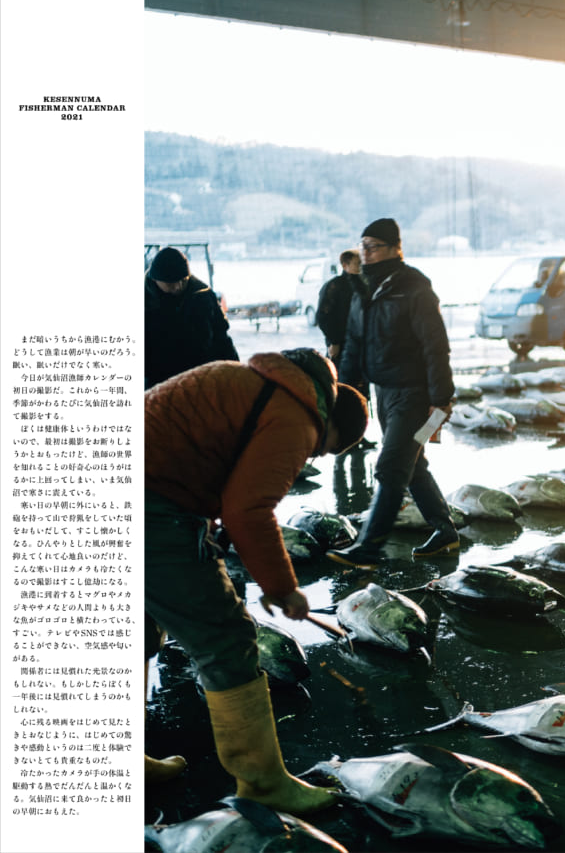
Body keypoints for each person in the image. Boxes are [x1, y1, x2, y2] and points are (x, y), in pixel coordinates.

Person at [144, 348, 368, 812]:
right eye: (319, 449)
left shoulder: (248, 380)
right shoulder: (296, 416)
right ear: (330, 427)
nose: (310, 452)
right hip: (151, 510)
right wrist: (283, 588)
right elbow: (248, 510)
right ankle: (263, 782)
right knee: (225, 640)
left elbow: (212, 472)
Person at [331, 218, 459, 567]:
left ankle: (368, 548)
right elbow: (354, 343)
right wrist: (340, 391)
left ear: (395, 248)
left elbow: (435, 345)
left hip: (414, 395)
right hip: (384, 393)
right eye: (362, 246)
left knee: (390, 467)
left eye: (373, 246)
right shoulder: (363, 289)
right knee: (412, 464)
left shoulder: (414, 287)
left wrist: (441, 398)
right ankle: (445, 531)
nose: (366, 253)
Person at [144, 245, 239, 388]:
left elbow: (222, 339)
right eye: (171, 283)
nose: (177, 287)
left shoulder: (202, 295)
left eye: (183, 280)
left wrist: (236, 371)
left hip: (200, 380)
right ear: (155, 279)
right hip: (157, 383)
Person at [315, 249, 365, 365]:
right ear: (344, 265)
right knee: (341, 377)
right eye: (358, 263)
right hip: (340, 342)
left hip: (359, 343)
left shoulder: (364, 284)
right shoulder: (334, 285)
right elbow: (323, 316)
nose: (361, 266)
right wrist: (334, 342)